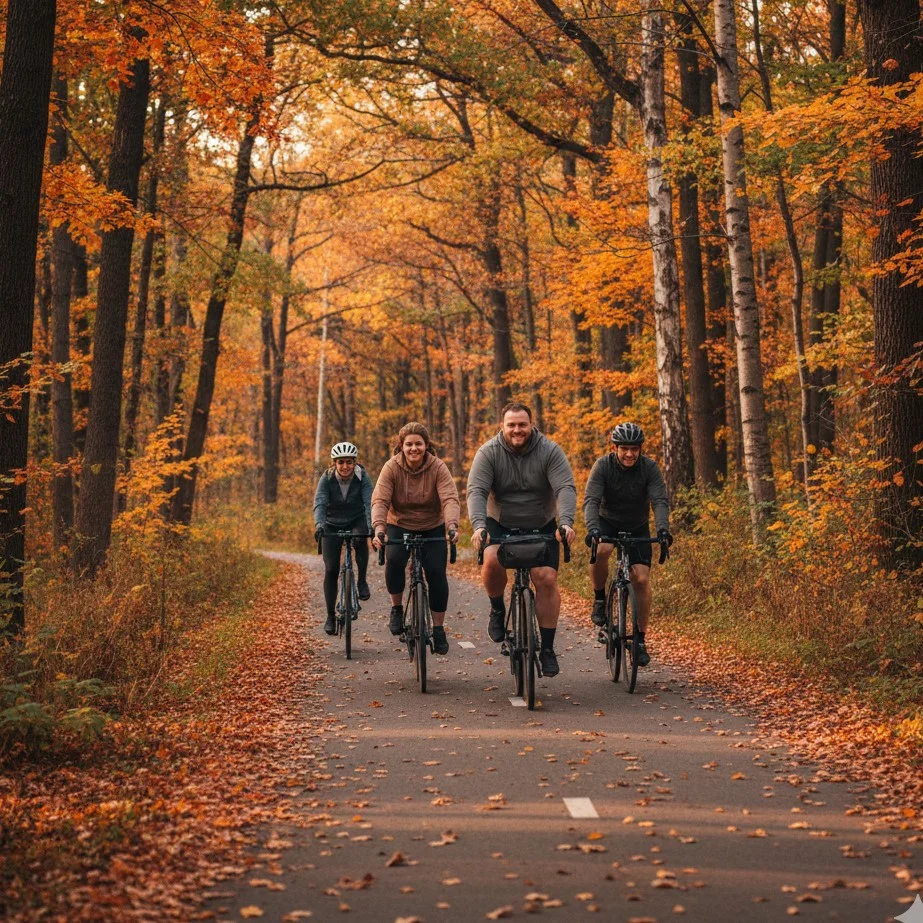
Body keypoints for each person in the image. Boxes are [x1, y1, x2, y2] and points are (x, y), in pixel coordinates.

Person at [466, 402, 577, 677]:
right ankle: (497, 609)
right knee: (491, 560)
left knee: (546, 579)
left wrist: (565, 523)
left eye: (522, 425)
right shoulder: (488, 452)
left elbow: (565, 487)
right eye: (511, 425)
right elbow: (476, 491)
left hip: (541, 523)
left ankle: (548, 649)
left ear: (531, 425)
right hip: (500, 523)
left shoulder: (549, 451)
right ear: (502, 427)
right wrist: (479, 527)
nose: (517, 430)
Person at [583, 422, 673, 667]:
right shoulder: (603, 466)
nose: (630, 454)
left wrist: (663, 528)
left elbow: (659, 500)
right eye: (625, 449)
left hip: (637, 524)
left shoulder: (649, 468)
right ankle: (600, 598)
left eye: (634, 449)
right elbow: (591, 500)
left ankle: (640, 640)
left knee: (641, 580)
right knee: (602, 549)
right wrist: (592, 529)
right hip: (607, 520)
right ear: (615, 448)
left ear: (640, 449)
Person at [371, 422, 460, 656]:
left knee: (436, 572)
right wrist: (379, 528)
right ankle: (397, 609)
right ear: (401, 446)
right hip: (398, 523)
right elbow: (380, 500)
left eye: (418, 444)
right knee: (395, 558)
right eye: (409, 444)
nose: (414, 448)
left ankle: (438, 629)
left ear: (426, 445)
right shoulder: (391, 468)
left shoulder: (438, 467)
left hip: (432, 524)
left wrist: (452, 526)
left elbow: (450, 498)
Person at [313, 441, 374, 636]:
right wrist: (320, 525)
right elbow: (320, 502)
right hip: (332, 522)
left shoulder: (362, 477)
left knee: (359, 539)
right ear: (334, 464)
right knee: (331, 568)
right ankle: (331, 616)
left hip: (356, 519)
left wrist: (372, 526)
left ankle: (362, 581)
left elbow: (369, 502)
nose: (345, 466)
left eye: (349, 462)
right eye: (340, 463)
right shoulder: (327, 478)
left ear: (355, 462)